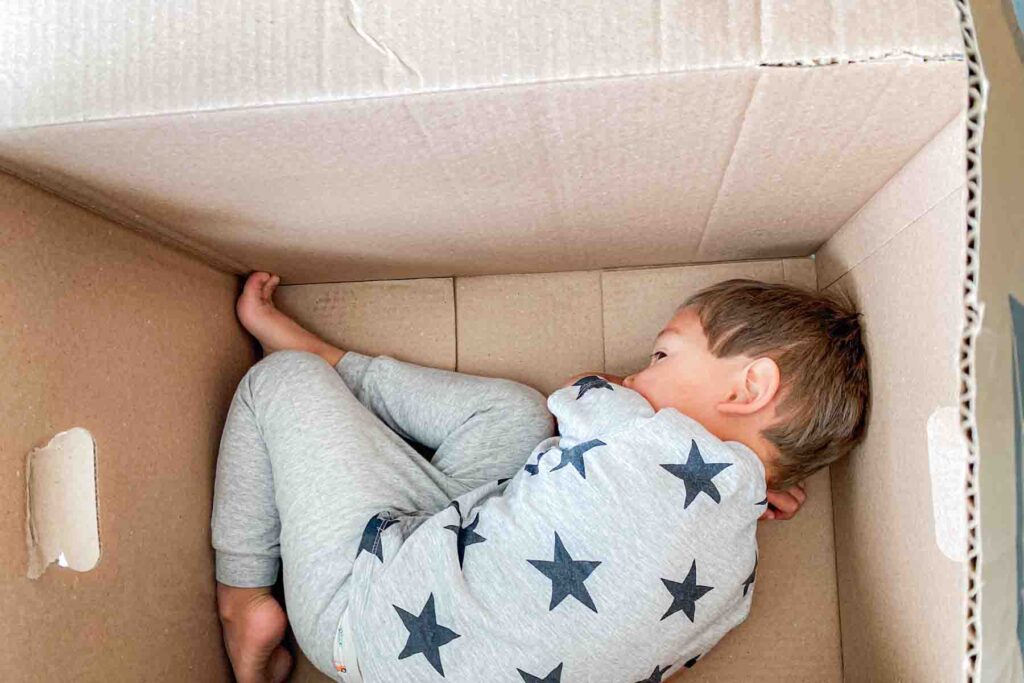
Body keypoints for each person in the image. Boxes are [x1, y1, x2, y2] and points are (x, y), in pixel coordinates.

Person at [211, 272, 868, 682]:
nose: (640, 375)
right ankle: (340, 373)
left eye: (664, 353)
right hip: (443, 592)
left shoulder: (636, 427)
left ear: (750, 386)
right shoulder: (738, 579)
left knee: (279, 381)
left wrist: (620, 391)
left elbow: (581, 391)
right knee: (519, 423)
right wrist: (751, 489)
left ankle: (242, 598)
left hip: (364, 611)